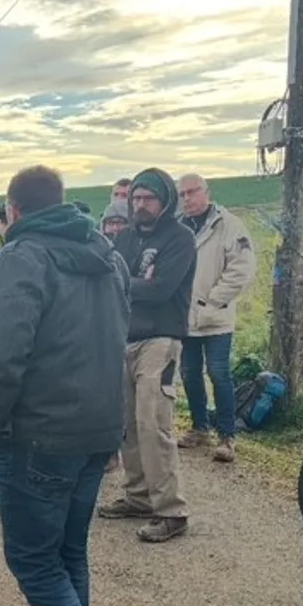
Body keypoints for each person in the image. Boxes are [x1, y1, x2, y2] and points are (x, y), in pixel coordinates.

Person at [0, 165, 130, 606]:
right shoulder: (107, 256)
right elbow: (119, 339)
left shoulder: (21, 258)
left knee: (34, 560)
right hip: (95, 429)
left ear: (13, 211)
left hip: (39, 433)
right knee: (67, 552)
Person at [100, 168, 196, 543]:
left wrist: (127, 282)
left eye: (148, 199)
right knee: (127, 423)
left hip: (162, 339)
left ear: (164, 201)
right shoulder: (123, 238)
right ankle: (138, 495)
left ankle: (172, 510)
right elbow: (111, 281)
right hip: (125, 338)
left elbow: (161, 289)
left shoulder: (180, 238)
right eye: (135, 198)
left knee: (153, 423)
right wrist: (134, 282)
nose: (140, 205)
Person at [175, 174, 257, 463]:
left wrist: (211, 302)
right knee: (189, 373)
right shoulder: (178, 228)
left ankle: (227, 435)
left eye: (192, 192)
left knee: (219, 373)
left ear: (206, 192)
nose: (187, 198)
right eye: (182, 193)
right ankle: (200, 428)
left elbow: (241, 270)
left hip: (216, 316)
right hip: (185, 317)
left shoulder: (229, 225)